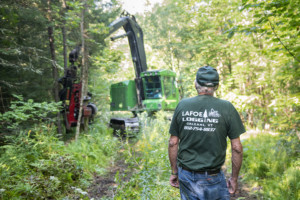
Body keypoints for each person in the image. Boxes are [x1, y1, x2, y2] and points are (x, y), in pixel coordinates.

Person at [168, 66, 245, 200]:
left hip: (186, 176)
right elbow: (237, 148)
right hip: (213, 177)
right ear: (217, 86)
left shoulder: (182, 105)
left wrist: (175, 172)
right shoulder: (227, 107)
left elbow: (173, 142)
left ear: (196, 83)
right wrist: (234, 179)